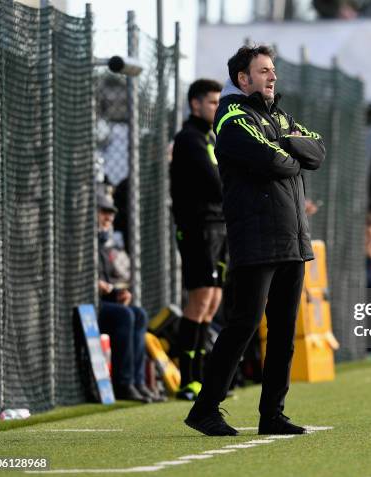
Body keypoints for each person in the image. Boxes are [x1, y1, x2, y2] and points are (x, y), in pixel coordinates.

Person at [185, 45, 325, 436]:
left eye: (272, 70)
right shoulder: (231, 115)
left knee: (282, 330)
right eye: (263, 71)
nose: (272, 76)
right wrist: (291, 150)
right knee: (243, 325)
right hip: (256, 238)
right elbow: (274, 161)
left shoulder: (279, 115)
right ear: (243, 78)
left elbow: (317, 149)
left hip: (292, 240)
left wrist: (290, 146)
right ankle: (205, 409)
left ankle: (272, 414)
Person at [170, 79, 226, 401]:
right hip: (197, 227)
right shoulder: (189, 139)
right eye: (212, 103)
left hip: (219, 227)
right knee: (200, 299)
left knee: (213, 301)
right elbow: (215, 182)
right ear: (195, 104)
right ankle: (186, 379)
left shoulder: (211, 136)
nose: (217, 108)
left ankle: (202, 377)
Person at [96, 191, 163, 403]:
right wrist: (96, 286)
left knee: (139, 314)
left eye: (111, 214)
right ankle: (124, 383)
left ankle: (137, 381)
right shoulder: (81, 244)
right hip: (86, 306)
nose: (110, 218)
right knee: (125, 315)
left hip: (102, 303)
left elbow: (106, 284)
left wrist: (117, 294)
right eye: (104, 212)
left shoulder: (101, 247)